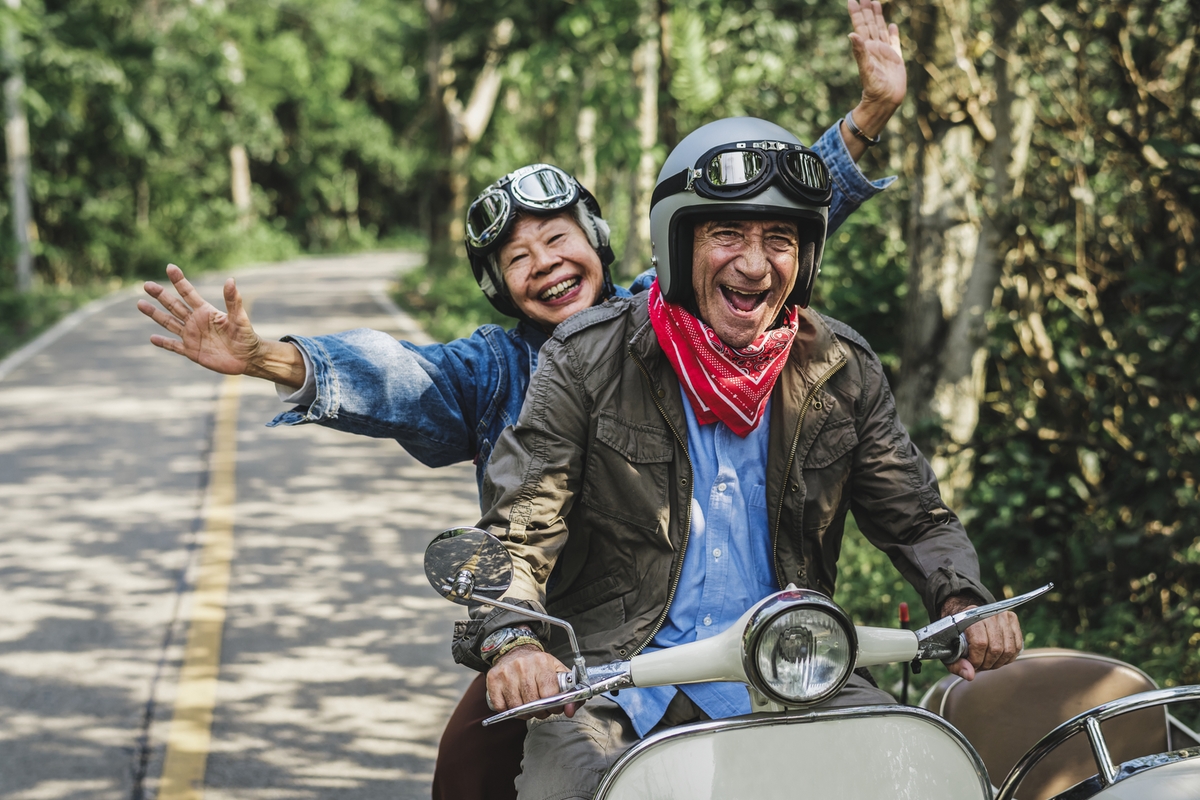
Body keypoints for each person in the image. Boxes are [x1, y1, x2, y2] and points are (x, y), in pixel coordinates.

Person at [137, 6, 907, 797]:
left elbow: (763, 227)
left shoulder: (671, 317)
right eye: (517, 256)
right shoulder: (493, 369)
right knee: (465, 773)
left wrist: (868, 116)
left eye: (558, 237)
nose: (544, 263)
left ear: (603, 241)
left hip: (742, 635)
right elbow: (394, 373)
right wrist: (268, 356)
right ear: (498, 285)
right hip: (559, 641)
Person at [456, 114, 1025, 800]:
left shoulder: (840, 369)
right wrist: (515, 642)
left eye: (778, 240)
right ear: (677, 243)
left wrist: (963, 597)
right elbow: (519, 530)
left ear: (804, 256)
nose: (754, 264)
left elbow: (916, 518)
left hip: (798, 669)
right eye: (727, 234)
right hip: (616, 686)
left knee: (918, 778)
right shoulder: (585, 358)